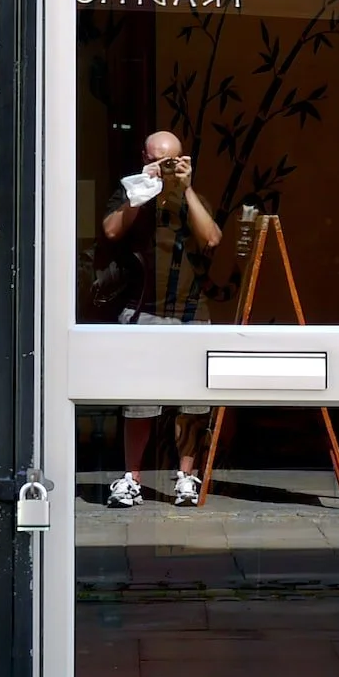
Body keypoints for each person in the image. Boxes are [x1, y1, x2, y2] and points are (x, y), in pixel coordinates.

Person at [92, 131, 227, 508]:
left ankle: (186, 477)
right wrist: (141, 190)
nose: (164, 168)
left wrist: (186, 188)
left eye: (171, 161)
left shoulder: (192, 198)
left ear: (183, 160)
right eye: (156, 160)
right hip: (142, 312)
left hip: (190, 313)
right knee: (139, 403)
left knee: (192, 404)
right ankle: (131, 478)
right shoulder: (131, 191)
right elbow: (111, 230)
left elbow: (212, 238)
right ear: (144, 158)